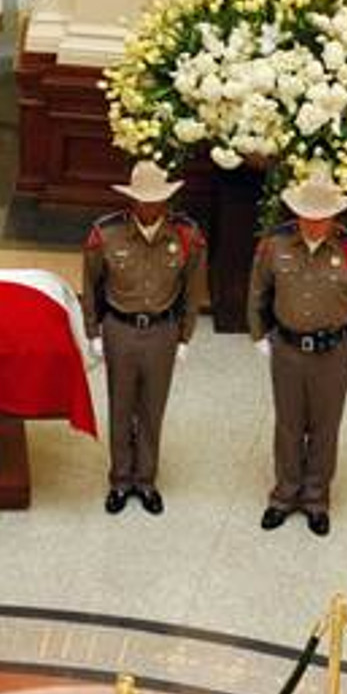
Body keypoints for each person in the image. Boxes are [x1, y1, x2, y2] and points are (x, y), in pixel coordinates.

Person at [249, 168, 347, 537]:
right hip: (288, 349)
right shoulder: (274, 245)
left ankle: (315, 499)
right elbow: (258, 290)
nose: (312, 223)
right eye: (306, 215)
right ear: (297, 213)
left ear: (333, 216)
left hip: (333, 352)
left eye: (320, 217)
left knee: (325, 428)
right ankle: (284, 494)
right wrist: (258, 333)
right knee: (288, 424)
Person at [82, 161, 205, 517]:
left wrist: (185, 336)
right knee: (121, 407)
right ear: (132, 200)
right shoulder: (106, 234)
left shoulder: (186, 236)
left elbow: (192, 291)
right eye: (143, 200)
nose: (149, 207)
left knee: (152, 407)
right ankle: (120, 479)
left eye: (157, 200)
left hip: (163, 330)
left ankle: (146, 479)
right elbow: (91, 285)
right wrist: (94, 331)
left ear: (166, 199)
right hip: (119, 328)